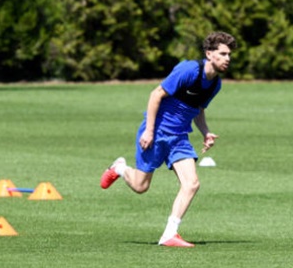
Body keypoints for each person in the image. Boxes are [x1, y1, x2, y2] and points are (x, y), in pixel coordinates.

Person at [100, 31, 237, 247]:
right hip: (157, 133)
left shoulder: (215, 84)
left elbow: (198, 109)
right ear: (209, 54)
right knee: (140, 186)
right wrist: (149, 131)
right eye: (223, 53)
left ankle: (169, 234)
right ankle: (119, 168)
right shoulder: (189, 70)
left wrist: (205, 132)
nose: (228, 58)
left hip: (180, 138)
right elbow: (156, 95)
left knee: (192, 184)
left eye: (230, 54)